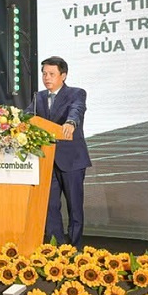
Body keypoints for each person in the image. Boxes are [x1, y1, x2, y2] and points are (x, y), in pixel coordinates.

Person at [29, 56, 92, 247]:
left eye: (51, 74)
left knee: (74, 206)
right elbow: (27, 117)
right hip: (47, 160)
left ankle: (75, 247)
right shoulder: (38, 97)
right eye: (44, 74)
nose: (47, 78)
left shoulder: (76, 93)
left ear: (63, 75)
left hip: (71, 160)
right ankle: (56, 247)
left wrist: (71, 123)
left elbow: (77, 110)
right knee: (50, 206)